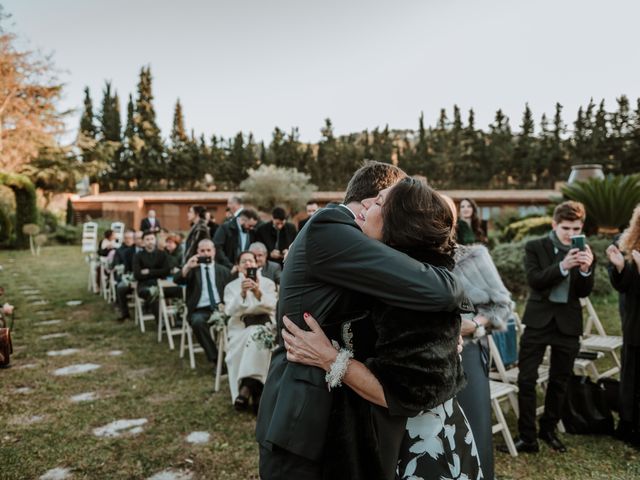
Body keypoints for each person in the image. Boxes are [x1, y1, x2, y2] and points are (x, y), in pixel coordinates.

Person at [256, 161, 465, 480]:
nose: (375, 206)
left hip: (351, 424)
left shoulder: (361, 240)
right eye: (380, 200)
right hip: (302, 418)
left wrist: (444, 336)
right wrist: (456, 300)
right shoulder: (330, 225)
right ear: (369, 200)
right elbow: (438, 289)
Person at [507, 201, 595, 454]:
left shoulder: (585, 251)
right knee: (526, 380)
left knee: (559, 381)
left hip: (568, 323)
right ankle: (527, 437)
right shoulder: (535, 246)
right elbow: (535, 280)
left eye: (576, 228)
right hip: (538, 321)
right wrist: (563, 267)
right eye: (566, 227)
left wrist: (586, 270)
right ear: (554, 224)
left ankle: (549, 430)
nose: (570, 233)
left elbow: (582, 292)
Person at [454, 242, 513, 480]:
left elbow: (501, 304)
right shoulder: (402, 257)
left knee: (472, 430)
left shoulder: (471, 257)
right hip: (422, 358)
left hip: (467, 354)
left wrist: (475, 325)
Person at [224, 250, 277, 413]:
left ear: (256, 264)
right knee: (254, 336)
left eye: (251, 261)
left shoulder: (267, 283)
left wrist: (257, 292)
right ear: (238, 267)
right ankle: (258, 394)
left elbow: (274, 305)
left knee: (257, 335)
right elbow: (230, 311)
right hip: (240, 328)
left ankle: (247, 388)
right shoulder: (231, 287)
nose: (248, 264)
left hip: (266, 326)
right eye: (243, 262)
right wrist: (242, 293)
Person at [606, 204, 640, 447]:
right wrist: (619, 267)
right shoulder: (626, 242)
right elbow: (623, 285)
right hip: (634, 317)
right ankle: (627, 424)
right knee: (631, 371)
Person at [174, 239, 232, 365]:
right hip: (200, 309)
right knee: (197, 322)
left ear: (214, 252)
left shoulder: (223, 270)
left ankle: (234, 355)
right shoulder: (193, 269)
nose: (206, 253)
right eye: (202, 250)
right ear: (197, 252)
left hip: (220, 307)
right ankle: (216, 359)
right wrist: (188, 266)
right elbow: (177, 280)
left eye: (208, 250)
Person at [132, 231, 170, 319]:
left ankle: (176, 318)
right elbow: (137, 275)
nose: (150, 241)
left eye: (152, 239)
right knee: (153, 294)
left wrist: (149, 271)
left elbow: (166, 271)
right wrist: (158, 272)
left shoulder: (162, 254)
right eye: (147, 239)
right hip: (144, 285)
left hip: (161, 283)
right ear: (143, 242)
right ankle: (161, 322)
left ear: (155, 240)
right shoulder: (138, 256)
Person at [113, 230, 136, 321]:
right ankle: (125, 313)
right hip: (125, 276)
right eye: (126, 238)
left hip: (137, 276)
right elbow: (116, 264)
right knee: (120, 287)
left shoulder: (137, 249)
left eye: (130, 238)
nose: (128, 240)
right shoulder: (119, 251)